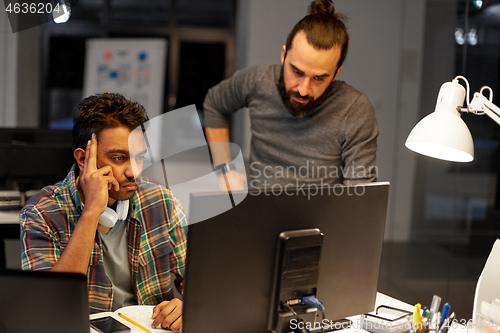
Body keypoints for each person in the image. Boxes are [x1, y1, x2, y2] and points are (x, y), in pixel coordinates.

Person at [20, 92, 186, 331]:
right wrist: (90, 213)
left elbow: (199, 279)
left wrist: (186, 305)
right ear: (82, 158)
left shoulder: (160, 200)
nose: (134, 171)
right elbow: (49, 304)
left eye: (139, 158)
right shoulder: (41, 213)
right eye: (119, 158)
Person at [204, 0, 378, 192]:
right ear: (283, 55)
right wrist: (224, 169)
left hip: (320, 221)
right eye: (297, 72)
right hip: (259, 214)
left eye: (319, 78)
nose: (303, 89)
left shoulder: (354, 109)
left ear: (337, 73)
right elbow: (215, 104)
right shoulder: (257, 81)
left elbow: (360, 195)